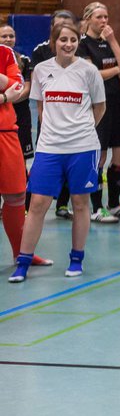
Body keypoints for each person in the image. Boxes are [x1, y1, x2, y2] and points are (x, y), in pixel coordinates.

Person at [9, 21, 106, 283]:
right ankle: (23, 262)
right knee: (38, 203)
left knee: (80, 203)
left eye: (73, 40)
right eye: (63, 40)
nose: (68, 44)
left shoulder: (89, 71)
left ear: (78, 42)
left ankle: (77, 259)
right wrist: (55, 131)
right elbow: (41, 107)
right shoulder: (41, 70)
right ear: (54, 42)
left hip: (83, 148)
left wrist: (81, 130)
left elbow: (100, 107)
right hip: (49, 148)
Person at [78, 2, 120, 224]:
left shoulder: (108, 42)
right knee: (99, 157)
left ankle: (114, 204)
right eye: (99, 17)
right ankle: (97, 207)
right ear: (88, 19)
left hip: (116, 103)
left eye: (106, 16)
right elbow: (90, 75)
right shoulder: (82, 45)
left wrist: (113, 41)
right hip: (95, 105)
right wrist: (115, 70)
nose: (104, 21)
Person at [0, 32, 51, 269]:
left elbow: (18, 86)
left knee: (17, 196)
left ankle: (21, 253)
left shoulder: (5, 52)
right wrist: (3, 97)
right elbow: (8, 91)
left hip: (7, 133)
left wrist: (7, 89)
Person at [31, 10, 76, 218]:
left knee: (70, 163)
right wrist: (46, 123)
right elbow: (39, 95)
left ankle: (63, 204)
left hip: (72, 122)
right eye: (59, 27)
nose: (66, 40)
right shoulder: (40, 52)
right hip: (49, 123)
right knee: (46, 165)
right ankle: (33, 203)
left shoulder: (78, 53)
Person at [0, 24, 35, 161]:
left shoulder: (24, 60)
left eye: (11, 36)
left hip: (21, 112)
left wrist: (8, 97)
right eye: (4, 36)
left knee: (21, 155)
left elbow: (24, 89)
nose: (8, 39)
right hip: (5, 113)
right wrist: (7, 97)